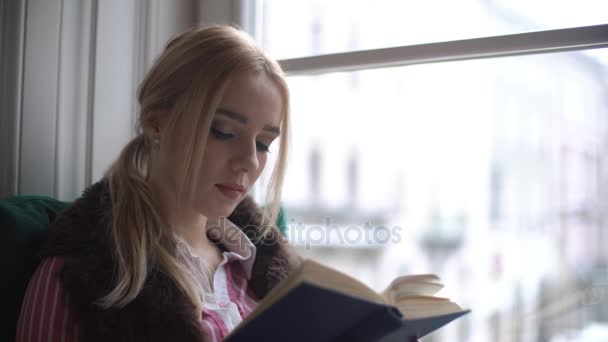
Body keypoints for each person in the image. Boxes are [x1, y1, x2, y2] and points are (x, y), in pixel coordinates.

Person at [16, 25, 302, 342]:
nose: (249, 160)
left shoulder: (260, 268)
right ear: (156, 123)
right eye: (222, 131)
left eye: (263, 143)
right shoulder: (79, 274)